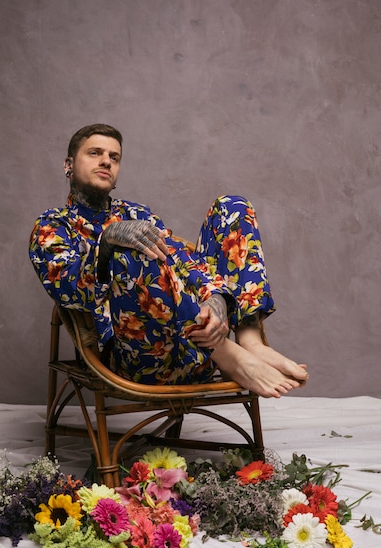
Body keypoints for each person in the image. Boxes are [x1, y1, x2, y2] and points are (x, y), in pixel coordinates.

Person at [29, 123, 309, 398]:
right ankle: (229, 355)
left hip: (194, 347)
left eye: (114, 157)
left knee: (232, 207)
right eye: (95, 153)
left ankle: (250, 342)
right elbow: (67, 292)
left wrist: (216, 298)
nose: (106, 161)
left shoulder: (136, 213)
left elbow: (180, 258)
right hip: (136, 359)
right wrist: (107, 241)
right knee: (127, 249)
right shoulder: (52, 226)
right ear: (68, 165)